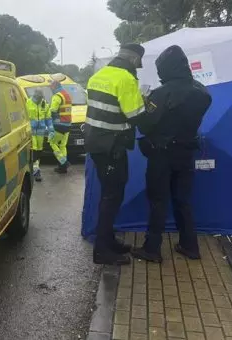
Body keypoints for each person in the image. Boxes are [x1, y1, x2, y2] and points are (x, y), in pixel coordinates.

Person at [131, 45, 213, 263]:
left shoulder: (161, 93)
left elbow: (146, 126)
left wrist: (144, 103)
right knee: (182, 200)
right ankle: (190, 246)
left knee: (158, 201)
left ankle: (152, 248)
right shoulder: (202, 91)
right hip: (186, 152)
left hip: (162, 154)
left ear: (166, 69)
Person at [85, 43, 147, 265]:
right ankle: (102, 250)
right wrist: (146, 102)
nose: (138, 68)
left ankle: (108, 240)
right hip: (112, 145)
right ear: (133, 60)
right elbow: (136, 116)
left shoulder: (100, 75)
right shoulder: (126, 79)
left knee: (109, 194)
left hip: (97, 143)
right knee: (112, 196)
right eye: (138, 64)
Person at [48, 80, 73, 174]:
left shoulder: (57, 96)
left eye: (51, 86)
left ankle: (63, 162)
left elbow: (53, 110)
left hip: (59, 125)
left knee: (52, 142)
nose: (50, 88)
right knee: (62, 146)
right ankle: (63, 168)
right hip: (68, 124)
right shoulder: (67, 94)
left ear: (54, 86)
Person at [26, 90, 50, 182]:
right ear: (35, 96)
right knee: (35, 149)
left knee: (39, 150)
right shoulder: (28, 103)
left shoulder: (44, 104)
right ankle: (36, 172)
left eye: (41, 98)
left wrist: (51, 129)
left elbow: (48, 118)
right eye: (39, 98)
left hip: (41, 131)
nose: (40, 100)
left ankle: (35, 169)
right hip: (31, 130)